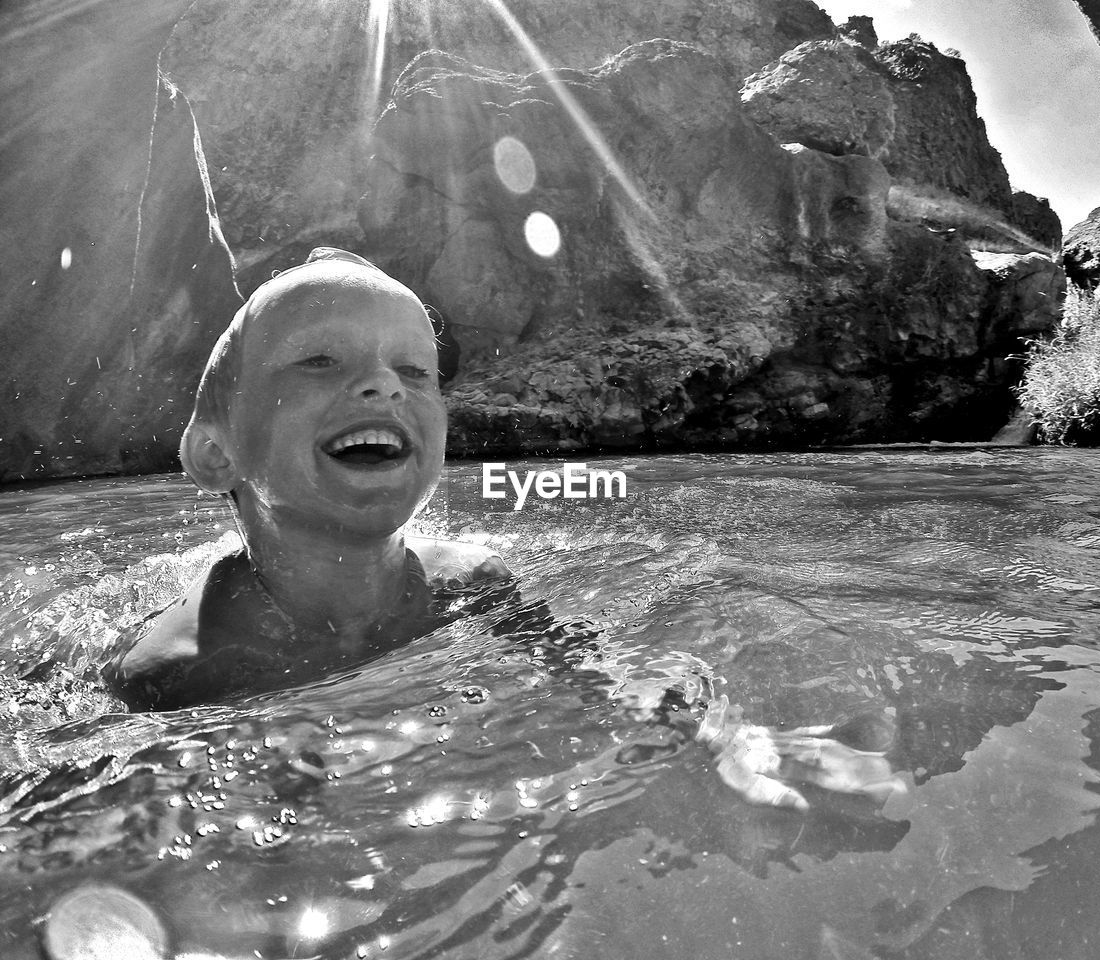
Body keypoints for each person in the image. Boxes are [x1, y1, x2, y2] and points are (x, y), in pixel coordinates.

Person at [103, 247, 903, 812]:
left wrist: (725, 735)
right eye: (319, 362)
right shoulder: (178, 675)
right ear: (216, 451)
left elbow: (605, 672)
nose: (384, 386)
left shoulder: (475, 585)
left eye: (416, 372)